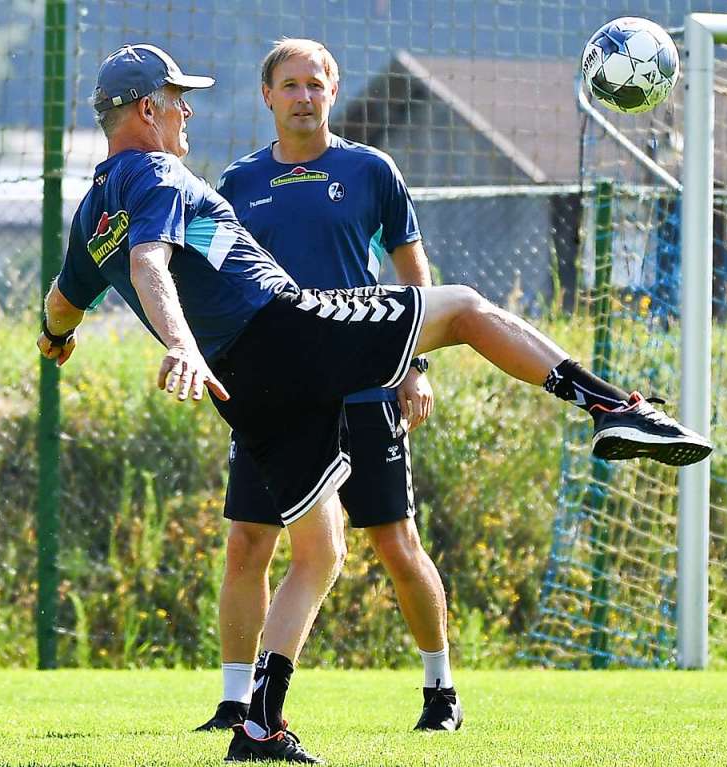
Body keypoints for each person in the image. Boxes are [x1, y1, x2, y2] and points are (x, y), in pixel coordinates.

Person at [38, 43, 711, 765]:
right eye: (178, 98)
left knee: (321, 549)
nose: (188, 109)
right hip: (285, 331)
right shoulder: (161, 171)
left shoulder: (92, 212)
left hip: (249, 391)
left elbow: (63, 302)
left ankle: (260, 727)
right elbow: (150, 262)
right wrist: (179, 342)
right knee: (462, 308)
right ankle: (614, 408)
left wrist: (53, 340)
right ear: (148, 110)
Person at [193, 38, 460, 735]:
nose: (304, 96)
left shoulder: (371, 169)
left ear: (332, 92)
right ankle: (233, 702)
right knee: (247, 543)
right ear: (268, 96)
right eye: (290, 85)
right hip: (276, 400)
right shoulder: (237, 184)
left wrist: (413, 366)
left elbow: (411, 267)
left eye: (316, 84)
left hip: (364, 386)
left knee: (395, 542)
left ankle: (441, 690)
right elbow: (208, 281)